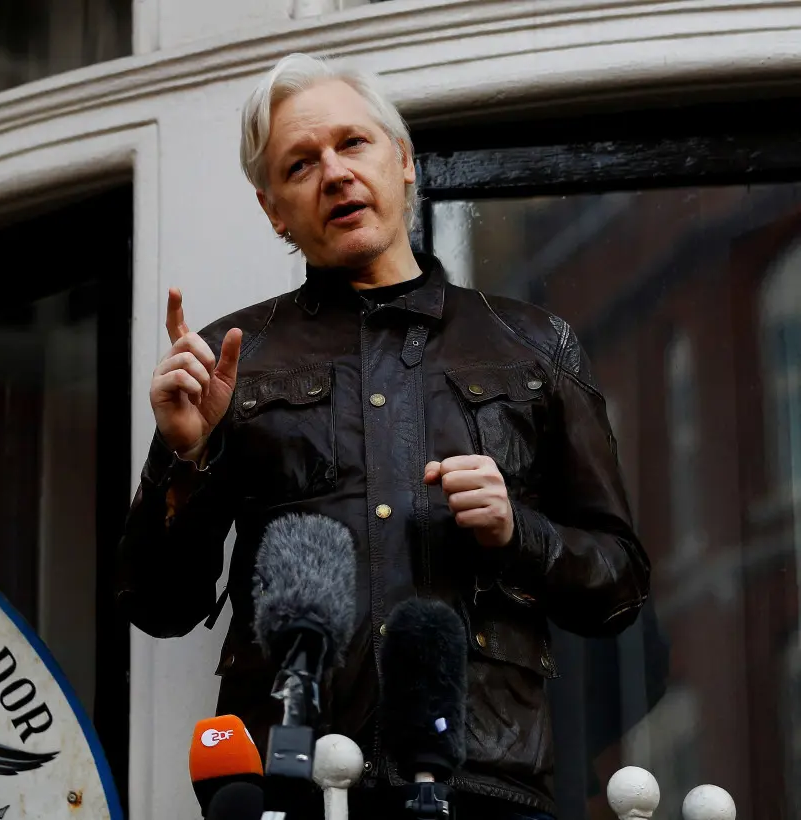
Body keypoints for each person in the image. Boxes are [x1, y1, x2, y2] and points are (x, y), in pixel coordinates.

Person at [114, 52, 651, 820]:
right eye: (301, 163)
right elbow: (157, 605)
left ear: (403, 163)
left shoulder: (533, 345)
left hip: (483, 783)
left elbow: (621, 585)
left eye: (352, 145)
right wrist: (186, 455)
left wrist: (516, 533)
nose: (333, 173)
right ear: (275, 210)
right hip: (291, 782)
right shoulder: (229, 359)